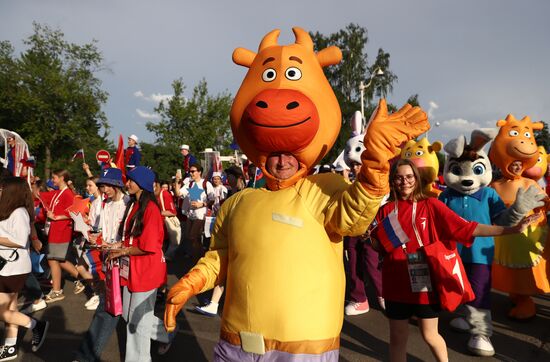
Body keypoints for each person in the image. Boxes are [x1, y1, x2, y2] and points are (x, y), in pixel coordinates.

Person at [370, 159, 534, 362]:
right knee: (397, 338)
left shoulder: (430, 204)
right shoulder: (385, 210)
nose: (404, 182)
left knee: (429, 335)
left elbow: (468, 227)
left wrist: (511, 230)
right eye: (399, 177)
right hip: (395, 282)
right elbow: (378, 246)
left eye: (409, 177)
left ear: (416, 179)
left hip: (425, 282)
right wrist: (371, 238)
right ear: (393, 180)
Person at [106, 166, 175, 361]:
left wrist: (122, 251)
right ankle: (167, 333)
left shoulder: (151, 209)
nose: (126, 183)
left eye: (131, 180)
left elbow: (149, 246)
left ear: (142, 184)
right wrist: (116, 245)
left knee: (136, 322)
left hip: (146, 270)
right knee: (130, 316)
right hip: (133, 269)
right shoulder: (134, 205)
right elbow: (131, 239)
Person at [73, 168, 128, 362]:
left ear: (117, 185)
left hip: (126, 263)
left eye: (105, 186)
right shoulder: (103, 205)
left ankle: (166, 333)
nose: (102, 190)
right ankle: (87, 355)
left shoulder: (128, 204)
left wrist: (114, 245)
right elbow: (102, 232)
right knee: (110, 309)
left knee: (122, 312)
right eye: (101, 186)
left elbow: (130, 238)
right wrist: (95, 238)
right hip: (109, 261)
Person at [0, 177, 49, 359]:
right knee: (10, 307)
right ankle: (10, 346)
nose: (1, 191)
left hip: (13, 267)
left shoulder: (19, 212)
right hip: (9, 266)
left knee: (3, 311)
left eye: (3, 188)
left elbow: (20, 241)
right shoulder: (10, 211)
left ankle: (36, 325)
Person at [44, 169, 79, 303]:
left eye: (54, 178)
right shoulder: (59, 193)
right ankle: (58, 289)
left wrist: (57, 217)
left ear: (62, 178)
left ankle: (81, 278)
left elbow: (74, 212)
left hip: (61, 230)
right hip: (56, 230)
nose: (52, 180)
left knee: (56, 259)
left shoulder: (67, 193)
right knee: (55, 259)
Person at [174, 163, 214, 260]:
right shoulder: (190, 184)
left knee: (193, 236)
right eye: (190, 171)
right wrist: (177, 182)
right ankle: (201, 257)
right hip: (191, 214)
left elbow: (212, 199)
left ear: (199, 172)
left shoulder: (206, 184)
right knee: (191, 237)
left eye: (193, 171)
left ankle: (198, 259)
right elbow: (178, 194)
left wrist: (202, 204)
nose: (191, 173)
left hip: (201, 214)